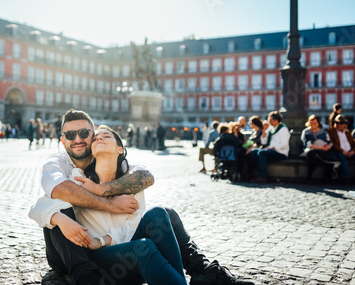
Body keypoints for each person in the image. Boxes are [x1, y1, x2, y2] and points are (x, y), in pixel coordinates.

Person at [29, 109, 254, 285]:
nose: (77, 138)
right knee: (140, 245)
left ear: (94, 135)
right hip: (83, 256)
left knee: (162, 214)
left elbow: (146, 178)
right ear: (62, 140)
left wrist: (101, 191)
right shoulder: (72, 174)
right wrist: (63, 217)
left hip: (120, 250)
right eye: (70, 134)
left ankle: (202, 273)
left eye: (86, 133)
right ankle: (82, 277)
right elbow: (50, 196)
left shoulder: (126, 171)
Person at [248, 111, 290, 183]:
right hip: (270, 150)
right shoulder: (270, 129)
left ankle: (263, 176)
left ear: (276, 120)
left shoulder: (283, 129)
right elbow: (264, 142)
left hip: (280, 152)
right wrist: (264, 130)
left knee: (262, 152)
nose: (268, 122)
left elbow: (284, 144)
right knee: (253, 152)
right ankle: (259, 173)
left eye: (270, 120)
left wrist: (272, 148)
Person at [300, 115, 340, 183]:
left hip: (323, 150)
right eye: (311, 123)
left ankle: (328, 178)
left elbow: (330, 142)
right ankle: (309, 178)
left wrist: (328, 147)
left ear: (318, 123)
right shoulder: (306, 132)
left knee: (329, 157)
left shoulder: (323, 131)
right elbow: (307, 144)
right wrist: (320, 148)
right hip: (312, 151)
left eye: (315, 122)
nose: (313, 124)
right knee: (314, 157)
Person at [327, 115, 355, 183]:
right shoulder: (331, 132)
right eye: (337, 123)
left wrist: (353, 151)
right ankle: (346, 178)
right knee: (341, 157)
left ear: (344, 124)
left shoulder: (347, 132)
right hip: (339, 152)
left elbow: (354, 144)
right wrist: (342, 151)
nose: (338, 125)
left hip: (350, 152)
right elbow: (333, 144)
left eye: (340, 123)